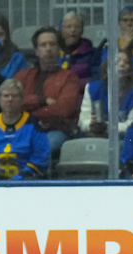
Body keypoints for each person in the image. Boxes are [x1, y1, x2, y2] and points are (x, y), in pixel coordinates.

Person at [13, 27, 82, 157]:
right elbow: (12, 103)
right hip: (22, 129)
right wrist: (41, 100)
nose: (48, 48)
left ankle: (30, 174)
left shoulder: (69, 77)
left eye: (52, 44)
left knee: (44, 146)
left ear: (58, 49)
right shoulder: (22, 76)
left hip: (55, 130)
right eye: (43, 45)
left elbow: (64, 108)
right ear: (36, 51)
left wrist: (31, 115)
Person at [0, 78, 50, 180]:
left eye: (14, 96)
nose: (10, 99)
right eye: (6, 96)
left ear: (22, 100)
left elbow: (41, 158)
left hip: (25, 183)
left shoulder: (33, 124)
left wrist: (18, 179)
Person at [78, 49, 133, 139]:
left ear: (130, 69)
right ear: (107, 68)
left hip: (122, 141)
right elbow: (82, 120)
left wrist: (106, 126)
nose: (121, 64)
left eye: (126, 62)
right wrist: (91, 124)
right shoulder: (92, 88)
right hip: (93, 137)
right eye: (117, 61)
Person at [59, 12, 100, 91]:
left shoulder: (92, 53)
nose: (73, 30)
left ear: (82, 31)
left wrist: (74, 84)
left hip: (83, 97)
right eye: (68, 26)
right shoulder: (54, 53)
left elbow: (97, 78)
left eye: (77, 27)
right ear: (62, 30)